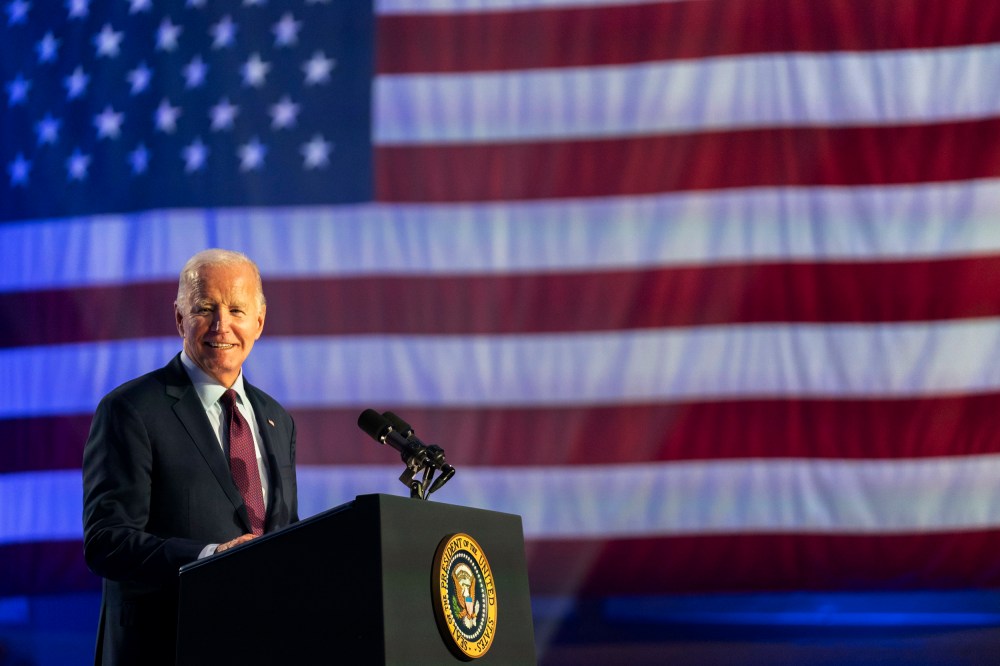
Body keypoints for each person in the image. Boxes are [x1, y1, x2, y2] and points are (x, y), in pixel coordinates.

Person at [82, 249, 298, 665]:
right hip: (165, 647)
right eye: (204, 308)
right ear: (180, 318)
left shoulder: (277, 420)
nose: (222, 325)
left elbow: (283, 534)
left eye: (237, 309)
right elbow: (106, 541)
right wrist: (210, 558)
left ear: (259, 321)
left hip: (259, 645)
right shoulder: (131, 409)